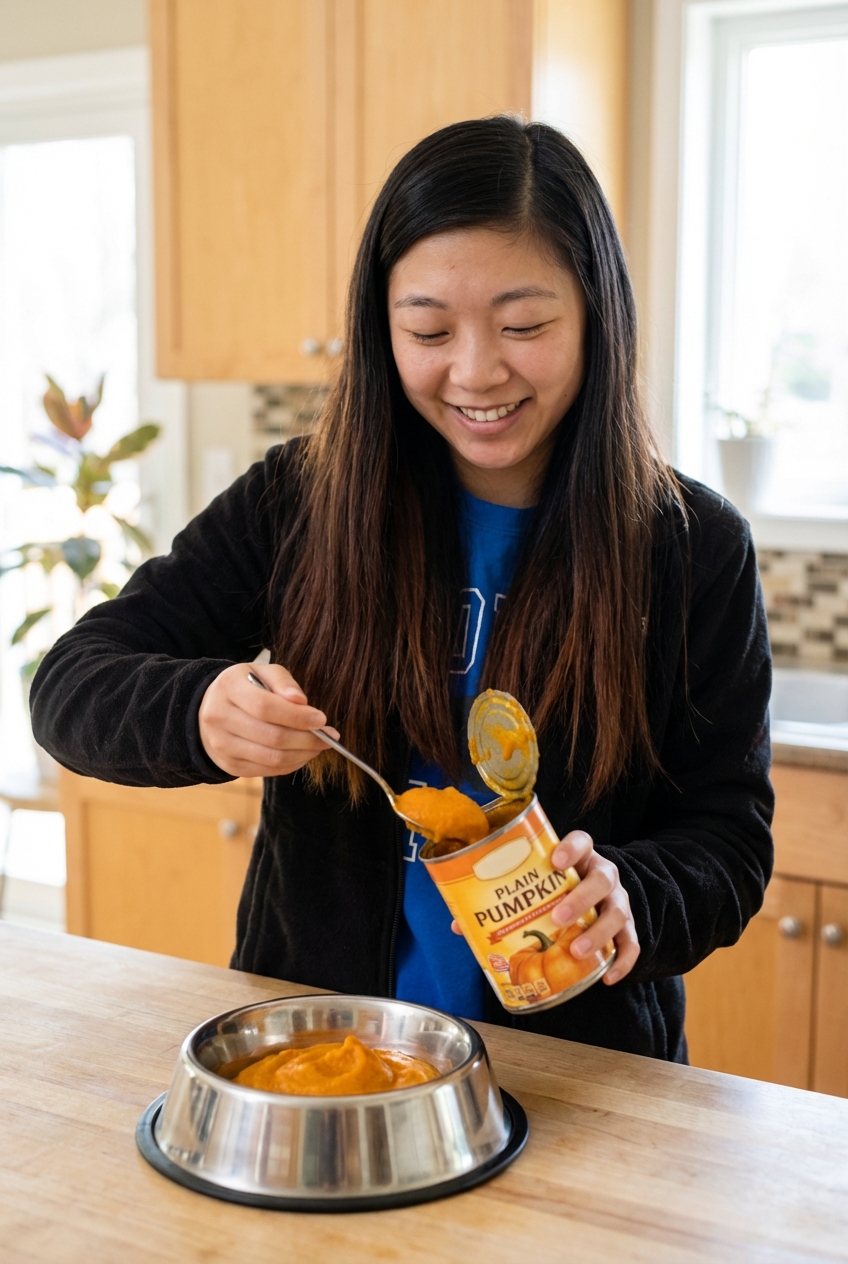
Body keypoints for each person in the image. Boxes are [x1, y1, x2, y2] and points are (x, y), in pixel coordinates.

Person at [31, 117, 773, 1061]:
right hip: (320, 1044)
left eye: (524, 326)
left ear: (596, 315)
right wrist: (198, 710)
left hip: (578, 1074)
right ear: (383, 331)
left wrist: (634, 896)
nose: (475, 371)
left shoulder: (690, 547)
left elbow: (729, 838)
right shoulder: (301, 500)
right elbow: (71, 684)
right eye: (429, 329)